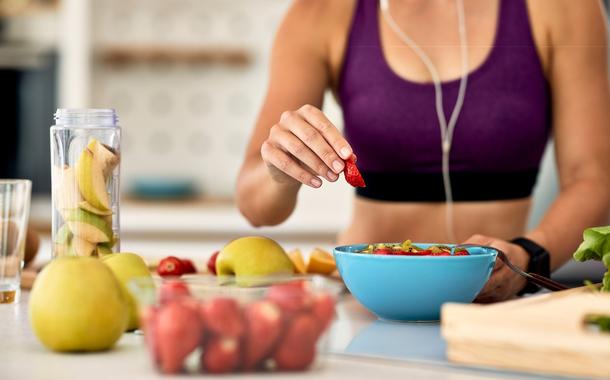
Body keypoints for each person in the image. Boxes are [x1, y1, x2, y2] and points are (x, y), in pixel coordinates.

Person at [236, 0, 610, 302]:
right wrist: (279, 171)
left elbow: (593, 178)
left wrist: (530, 254)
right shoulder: (321, 12)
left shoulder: (564, 7)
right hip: (369, 304)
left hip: (495, 302)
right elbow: (256, 206)